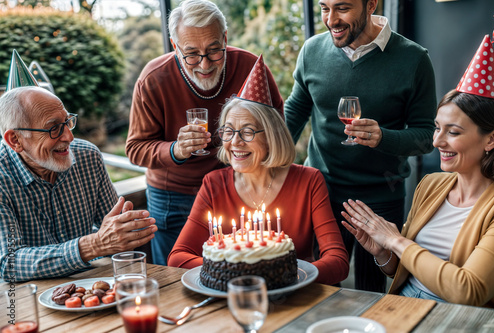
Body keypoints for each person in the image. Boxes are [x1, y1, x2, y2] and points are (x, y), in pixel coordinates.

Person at [284, 0, 437, 292]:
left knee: (373, 293)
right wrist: (267, 155)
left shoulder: (414, 59)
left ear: (371, 4)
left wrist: (384, 137)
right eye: (324, 8)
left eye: (342, 8)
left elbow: (426, 136)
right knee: (320, 288)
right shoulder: (312, 51)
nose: (331, 20)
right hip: (321, 193)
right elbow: (293, 114)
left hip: (380, 198)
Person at [341, 34, 494, 307]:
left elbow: (469, 291)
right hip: (404, 305)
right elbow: (403, 269)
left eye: (454, 132)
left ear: (492, 139)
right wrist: (383, 252)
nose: (437, 141)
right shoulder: (431, 185)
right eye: (438, 128)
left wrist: (396, 241)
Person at [125, 0, 283, 266]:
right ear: (175, 47)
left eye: (214, 51)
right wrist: (175, 149)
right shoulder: (153, 79)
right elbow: (135, 149)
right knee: (177, 276)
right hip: (174, 196)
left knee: (238, 269)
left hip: (237, 188)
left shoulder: (249, 68)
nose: (205, 64)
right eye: (192, 54)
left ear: (225, 39)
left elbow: (277, 128)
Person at [168, 57, 349, 285]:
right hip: (230, 302)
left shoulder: (309, 181)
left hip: (297, 297)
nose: (235, 142)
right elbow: (177, 258)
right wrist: (240, 272)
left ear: (271, 136)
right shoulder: (213, 184)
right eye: (229, 131)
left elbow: (338, 261)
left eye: (247, 132)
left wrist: (282, 275)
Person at [0, 86, 157, 282]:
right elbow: (9, 263)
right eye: (53, 128)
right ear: (15, 139)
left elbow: (117, 231)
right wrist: (93, 245)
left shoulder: (87, 156)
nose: (69, 137)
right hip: (24, 298)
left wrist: (129, 230)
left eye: (67, 122)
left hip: (89, 286)